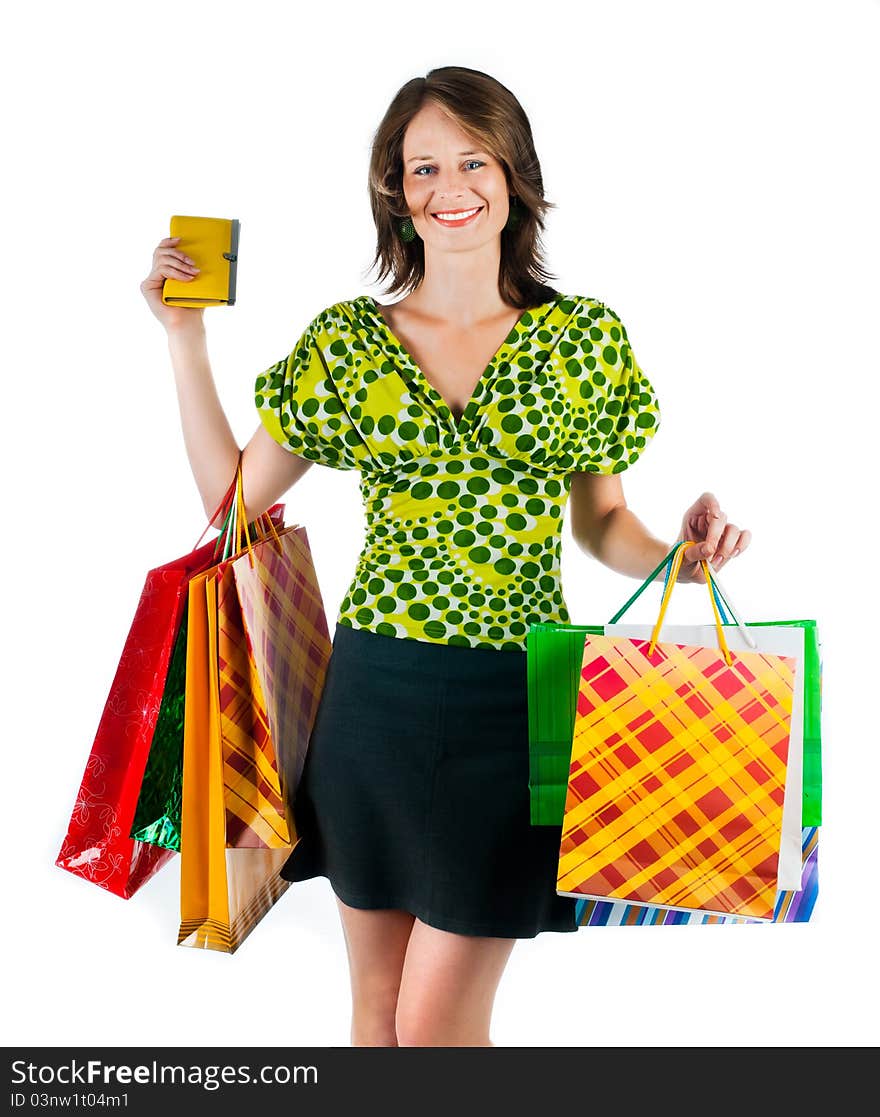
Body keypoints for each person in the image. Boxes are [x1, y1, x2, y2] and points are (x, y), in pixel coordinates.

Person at [140, 66, 750, 1048]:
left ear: (514, 177)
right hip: (373, 701)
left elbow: (602, 526)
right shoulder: (347, 343)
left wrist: (678, 556)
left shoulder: (582, 339)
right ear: (395, 188)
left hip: (513, 707)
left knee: (433, 1030)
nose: (449, 184)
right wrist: (184, 338)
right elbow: (232, 505)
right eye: (423, 166)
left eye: (473, 159)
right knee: (376, 1019)